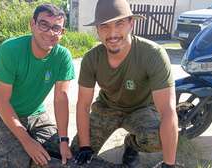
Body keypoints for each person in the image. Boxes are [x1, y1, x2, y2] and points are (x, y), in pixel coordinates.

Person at [71, 0, 179, 167]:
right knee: (76, 152)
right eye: (105, 26)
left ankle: (131, 145)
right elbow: (83, 105)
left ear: (131, 24)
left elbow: (167, 110)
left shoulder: (153, 54)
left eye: (119, 23)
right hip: (107, 107)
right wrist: (85, 146)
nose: (112, 33)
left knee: (157, 139)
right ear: (97, 30)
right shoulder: (91, 58)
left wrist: (169, 164)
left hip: (141, 108)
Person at [0, 3, 75, 168]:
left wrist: (64, 140)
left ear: (62, 32)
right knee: (20, 161)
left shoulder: (63, 56)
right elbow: (1, 101)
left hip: (35, 113)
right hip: (3, 112)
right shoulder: (9, 51)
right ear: (32, 24)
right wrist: (27, 141)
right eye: (44, 24)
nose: (50, 32)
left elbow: (61, 99)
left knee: (61, 152)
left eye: (56, 28)